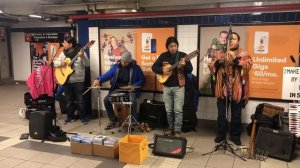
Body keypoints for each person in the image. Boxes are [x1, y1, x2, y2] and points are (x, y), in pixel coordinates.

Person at [208, 32, 253, 145]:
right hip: (222, 88)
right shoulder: (219, 52)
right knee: (222, 114)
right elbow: (211, 66)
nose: (231, 40)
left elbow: (248, 65)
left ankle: (235, 136)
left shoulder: (244, 52)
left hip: (237, 88)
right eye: (230, 39)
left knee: (236, 114)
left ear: (238, 41)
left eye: (234, 39)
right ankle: (221, 134)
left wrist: (236, 60)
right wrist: (219, 62)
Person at [152, 36, 193, 137]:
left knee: (178, 110)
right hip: (166, 86)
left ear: (177, 46)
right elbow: (154, 67)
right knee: (169, 110)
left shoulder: (183, 56)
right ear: (167, 47)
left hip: (179, 86)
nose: (173, 48)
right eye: (171, 46)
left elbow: (190, 69)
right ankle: (171, 128)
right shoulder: (163, 56)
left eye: (175, 46)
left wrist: (184, 65)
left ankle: (177, 130)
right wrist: (162, 70)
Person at [93, 51, 145, 130]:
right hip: (118, 89)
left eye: (126, 62)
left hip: (130, 91)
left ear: (130, 61)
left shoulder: (136, 68)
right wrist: (99, 80)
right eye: (122, 61)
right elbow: (107, 75)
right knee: (106, 100)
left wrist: (134, 86)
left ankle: (134, 121)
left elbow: (142, 80)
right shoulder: (116, 67)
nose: (124, 63)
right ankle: (113, 119)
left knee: (133, 100)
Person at [53, 37, 90, 124]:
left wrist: (83, 57)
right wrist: (61, 63)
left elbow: (87, 64)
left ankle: (82, 117)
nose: (63, 44)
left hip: (78, 80)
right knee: (68, 100)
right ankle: (70, 117)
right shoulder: (63, 53)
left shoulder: (81, 52)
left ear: (70, 44)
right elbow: (55, 63)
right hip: (67, 80)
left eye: (65, 43)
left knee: (80, 100)